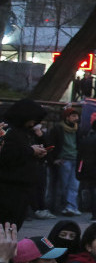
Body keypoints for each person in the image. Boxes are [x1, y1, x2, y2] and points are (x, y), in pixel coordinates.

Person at [0, 99, 49, 230]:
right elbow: (6, 155)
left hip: (22, 188)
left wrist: (35, 153)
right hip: (9, 189)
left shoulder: (22, 132)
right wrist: (30, 150)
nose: (33, 124)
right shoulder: (7, 130)